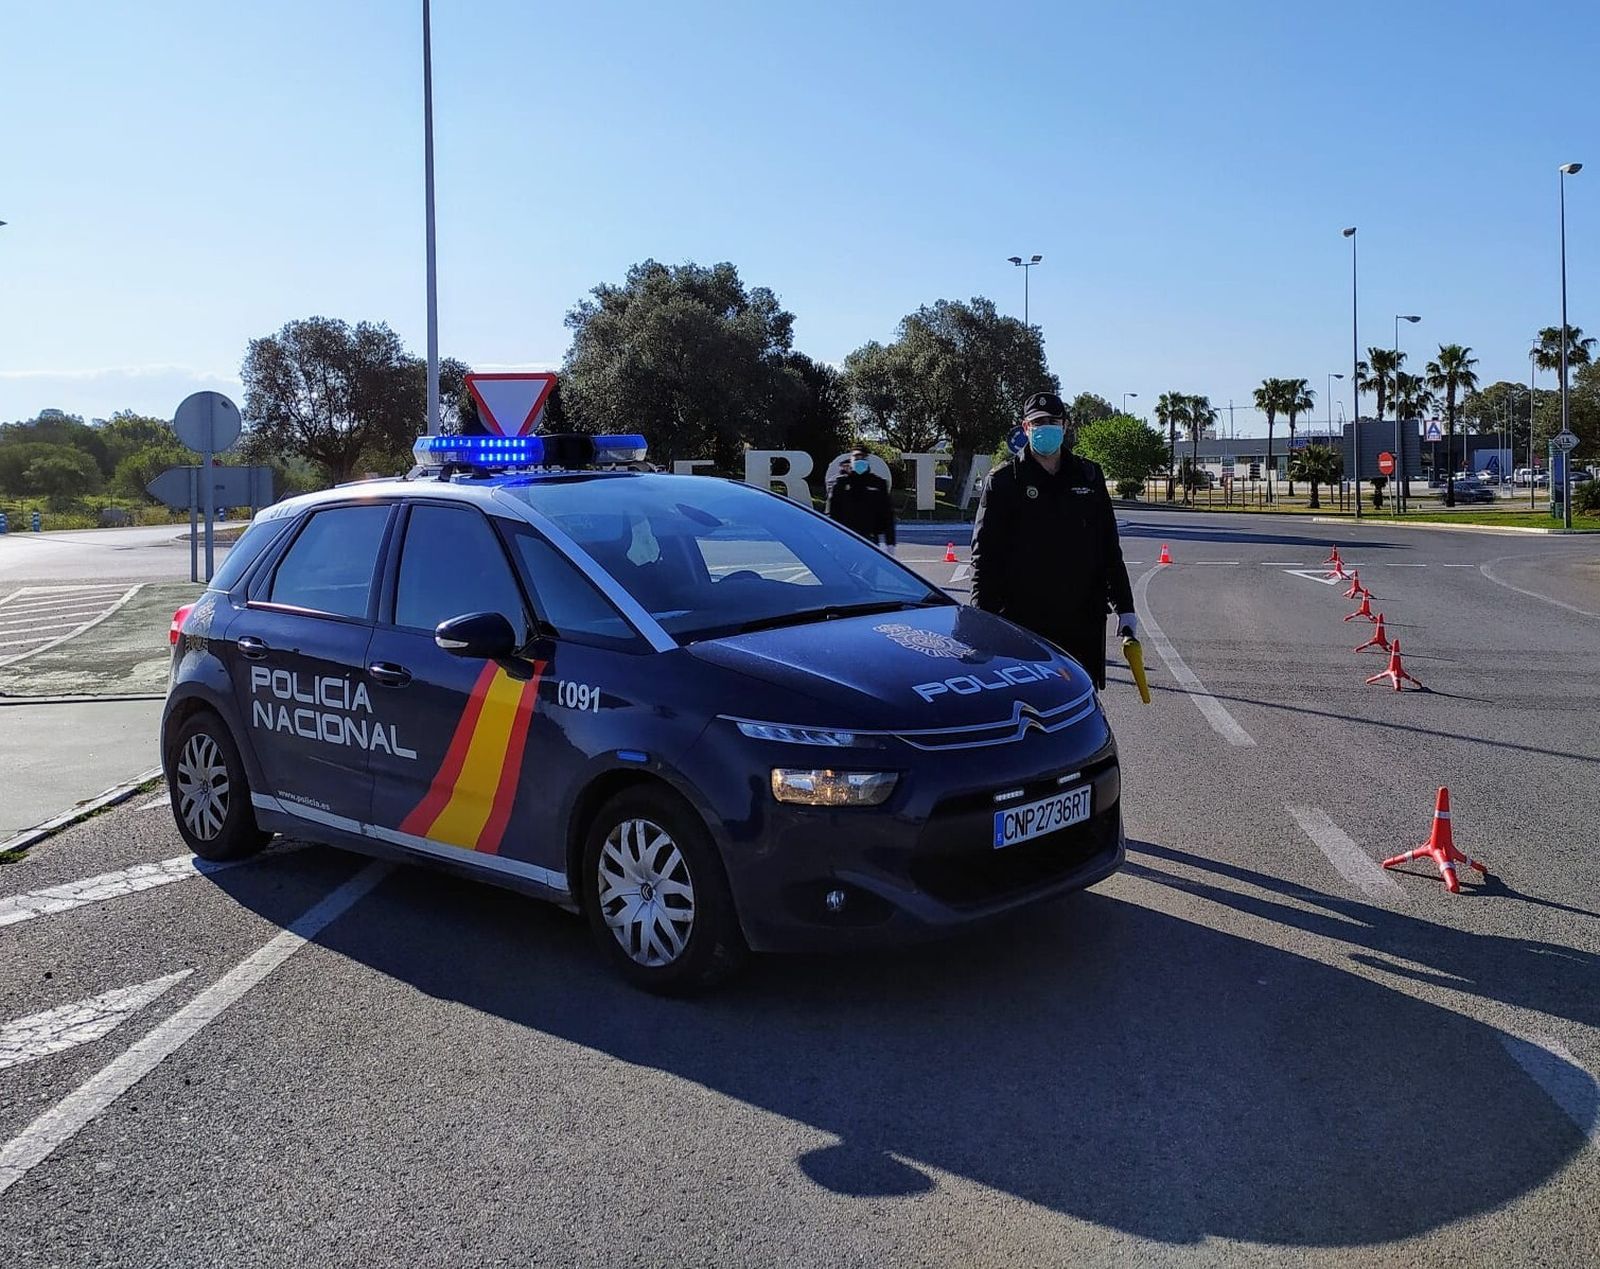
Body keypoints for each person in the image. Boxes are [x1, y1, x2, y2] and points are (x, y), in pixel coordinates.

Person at [970, 391, 1136, 689]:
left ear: (1065, 426)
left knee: (1080, 706)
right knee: (1028, 706)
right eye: (1038, 422)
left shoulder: (1088, 476)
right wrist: (983, 622)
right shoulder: (1005, 482)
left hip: (1082, 621)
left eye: (1052, 421)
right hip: (1024, 623)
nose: (1045, 427)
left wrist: (1126, 607)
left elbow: (1109, 547)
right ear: (1025, 428)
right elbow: (985, 558)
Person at [826, 446, 896, 547]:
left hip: (870, 538)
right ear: (851, 460)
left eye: (862, 458)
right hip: (846, 537)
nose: (859, 461)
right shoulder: (841, 484)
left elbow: (887, 514)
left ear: (867, 460)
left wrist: (890, 542)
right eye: (856, 458)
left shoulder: (878, 484)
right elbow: (833, 514)